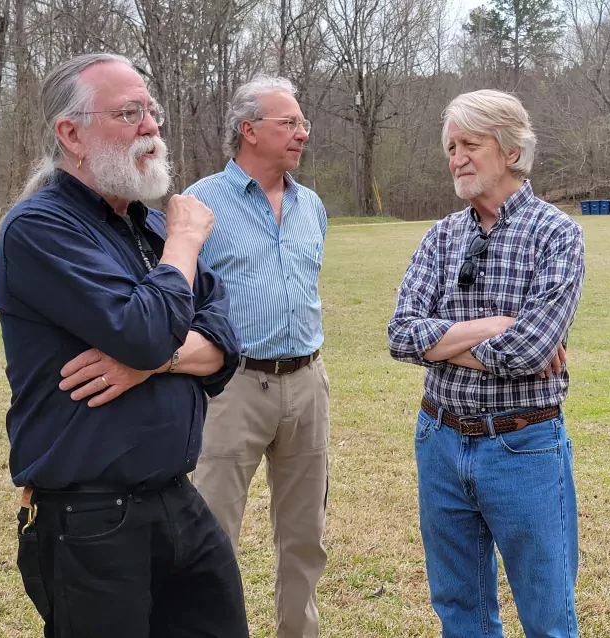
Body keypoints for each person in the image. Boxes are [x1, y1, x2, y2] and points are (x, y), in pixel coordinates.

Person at [0, 53, 248, 638]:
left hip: (179, 501)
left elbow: (226, 340)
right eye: (129, 113)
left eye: (151, 112)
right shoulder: (39, 228)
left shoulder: (148, 227)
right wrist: (185, 241)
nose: (151, 127)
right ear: (71, 133)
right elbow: (146, 331)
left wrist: (151, 365)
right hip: (90, 520)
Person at [388, 89, 585, 638]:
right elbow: (401, 335)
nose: (457, 158)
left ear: (512, 150)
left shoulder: (556, 234)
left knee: (548, 616)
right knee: (460, 613)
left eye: (470, 144)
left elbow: (530, 350)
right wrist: (494, 325)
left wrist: (444, 344)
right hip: (440, 440)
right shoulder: (440, 237)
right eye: (451, 147)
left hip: (523, 446)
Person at [184, 76, 329, 638]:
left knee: (305, 536)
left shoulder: (311, 205)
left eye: (303, 123)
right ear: (248, 129)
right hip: (232, 387)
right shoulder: (200, 204)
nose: (303, 133)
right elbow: (178, 295)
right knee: (212, 531)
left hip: (308, 382)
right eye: (289, 123)